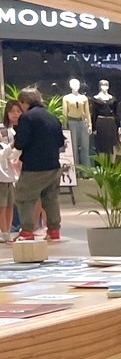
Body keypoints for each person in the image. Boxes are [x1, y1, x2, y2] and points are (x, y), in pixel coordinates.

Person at [12, 88, 65, 243]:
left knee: (24, 197)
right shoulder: (52, 117)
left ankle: (27, 231)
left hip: (34, 167)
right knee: (50, 198)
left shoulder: (27, 117)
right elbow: (61, 142)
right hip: (53, 165)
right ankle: (54, 231)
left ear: (24, 102)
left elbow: (20, 142)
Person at [0, 104, 20, 244]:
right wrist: (11, 146)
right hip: (1, 177)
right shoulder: (4, 130)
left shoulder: (15, 132)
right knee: (2, 206)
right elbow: (3, 155)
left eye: (18, 111)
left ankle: (7, 231)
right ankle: (4, 232)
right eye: (12, 111)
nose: (15, 114)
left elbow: (12, 155)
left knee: (9, 206)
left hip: (11, 177)